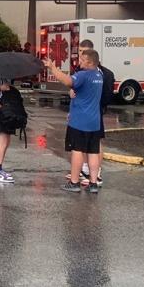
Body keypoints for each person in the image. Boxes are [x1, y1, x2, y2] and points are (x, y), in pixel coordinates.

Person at [45, 49, 104, 193]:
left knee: (77, 150)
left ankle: (74, 182)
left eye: (83, 60)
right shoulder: (99, 75)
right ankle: (93, 183)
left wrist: (52, 68)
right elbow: (82, 90)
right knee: (93, 152)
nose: (80, 62)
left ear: (90, 62)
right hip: (94, 121)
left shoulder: (83, 75)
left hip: (79, 121)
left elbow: (67, 81)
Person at [69, 40, 114, 186]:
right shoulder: (80, 71)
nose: (80, 54)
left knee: (94, 144)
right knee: (83, 145)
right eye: (80, 51)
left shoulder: (103, 73)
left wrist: (95, 105)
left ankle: (96, 174)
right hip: (81, 113)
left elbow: (107, 95)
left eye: (83, 52)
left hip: (94, 112)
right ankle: (83, 171)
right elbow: (75, 87)